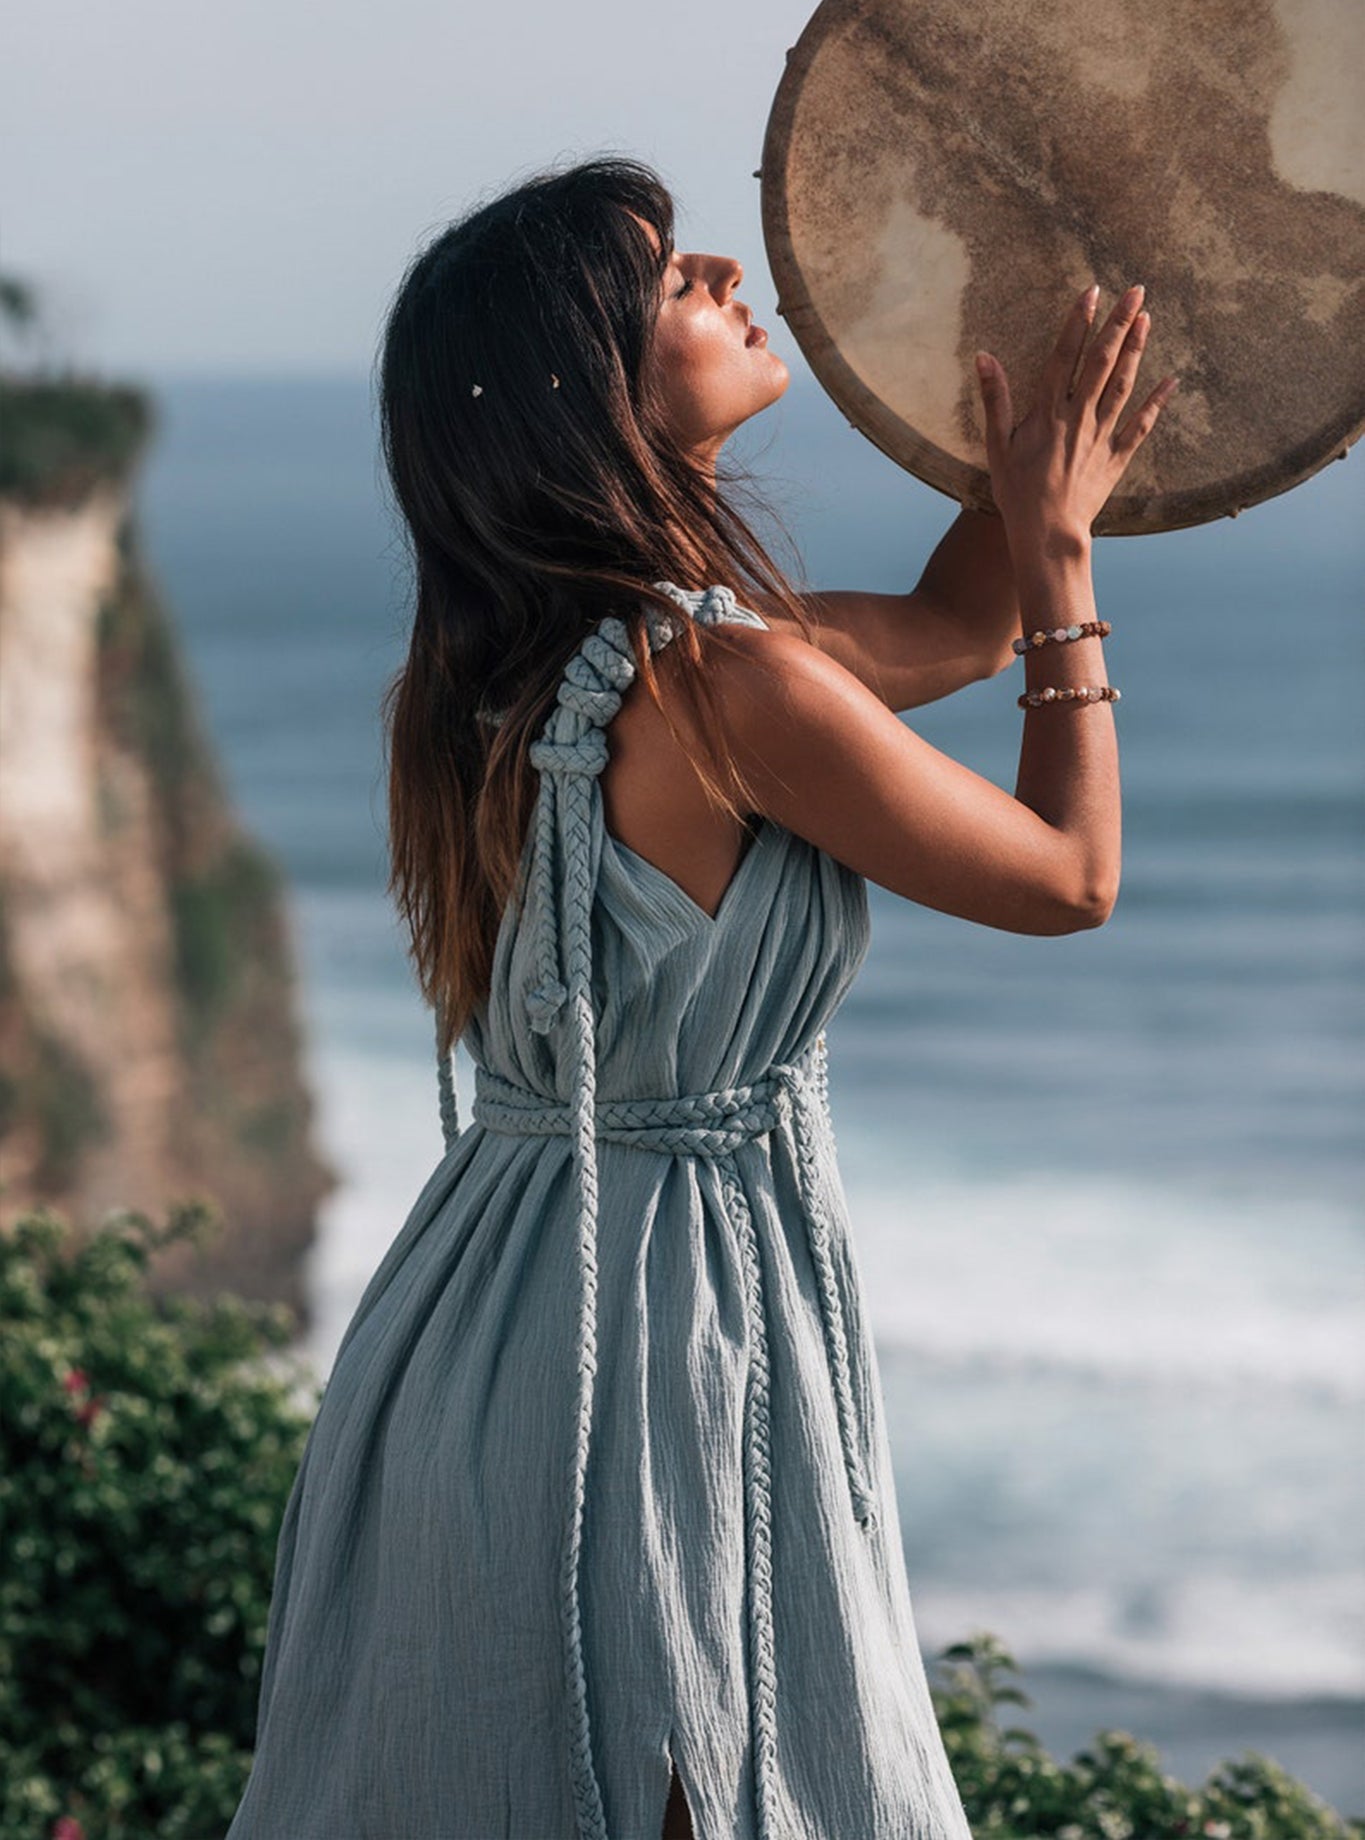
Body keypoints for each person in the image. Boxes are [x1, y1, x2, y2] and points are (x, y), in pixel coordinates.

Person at [224, 156, 1176, 1840]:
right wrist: (1069, 569)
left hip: (485, 1307)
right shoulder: (728, 681)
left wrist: (1040, 415)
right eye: (670, 279)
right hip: (662, 1317)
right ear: (588, 390)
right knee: (713, 1769)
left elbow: (958, 619)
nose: (726, 272)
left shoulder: (517, 671)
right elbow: (1068, 878)